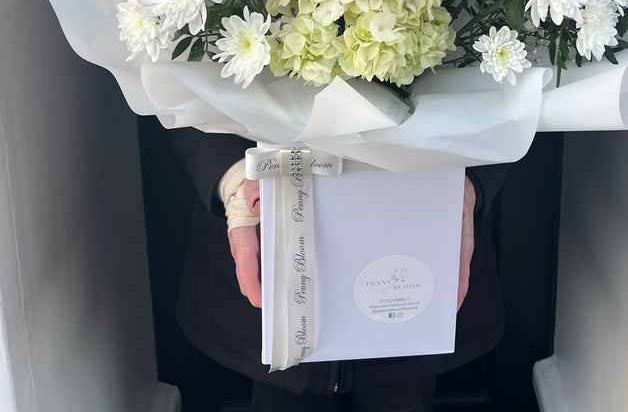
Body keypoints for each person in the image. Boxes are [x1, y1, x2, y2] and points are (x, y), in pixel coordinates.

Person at [169, 127, 507, 411]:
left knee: (403, 392)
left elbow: (511, 88)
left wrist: (469, 181)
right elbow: (168, 70)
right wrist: (234, 183)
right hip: (268, 267)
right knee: (280, 388)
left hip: (415, 263)